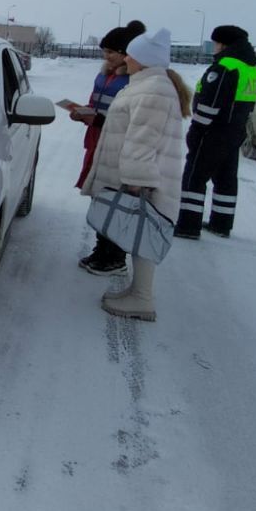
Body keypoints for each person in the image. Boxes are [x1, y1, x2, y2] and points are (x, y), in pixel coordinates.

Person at [80, 28, 191, 320]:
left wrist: (136, 182)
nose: (125, 58)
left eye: (131, 53)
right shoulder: (146, 84)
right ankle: (136, 292)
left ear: (144, 58)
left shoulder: (153, 89)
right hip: (139, 177)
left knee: (143, 235)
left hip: (144, 180)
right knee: (139, 233)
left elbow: (143, 140)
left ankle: (143, 299)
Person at [175, 25, 256, 239]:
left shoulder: (224, 67)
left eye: (215, 43)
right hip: (235, 131)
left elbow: (209, 104)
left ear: (223, 43)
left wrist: (197, 130)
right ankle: (221, 223)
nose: (214, 47)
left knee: (195, 176)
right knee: (226, 178)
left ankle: (188, 225)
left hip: (213, 132)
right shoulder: (250, 68)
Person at [74, 21, 146, 274]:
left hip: (117, 146)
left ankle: (115, 256)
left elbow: (132, 119)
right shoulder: (105, 74)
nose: (107, 57)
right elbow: (95, 102)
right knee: (100, 197)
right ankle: (101, 248)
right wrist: (82, 112)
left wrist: (99, 120)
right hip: (98, 141)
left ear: (126, 54)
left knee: (116, 200)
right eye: (105, 52)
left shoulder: (134, 80)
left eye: (112, 52)